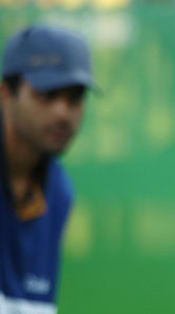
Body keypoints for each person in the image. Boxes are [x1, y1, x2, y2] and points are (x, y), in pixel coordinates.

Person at [1, 24, 94, 312]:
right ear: (5, 93)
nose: (62, 112)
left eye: (74, 97)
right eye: (46, 93)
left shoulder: (59, 193)